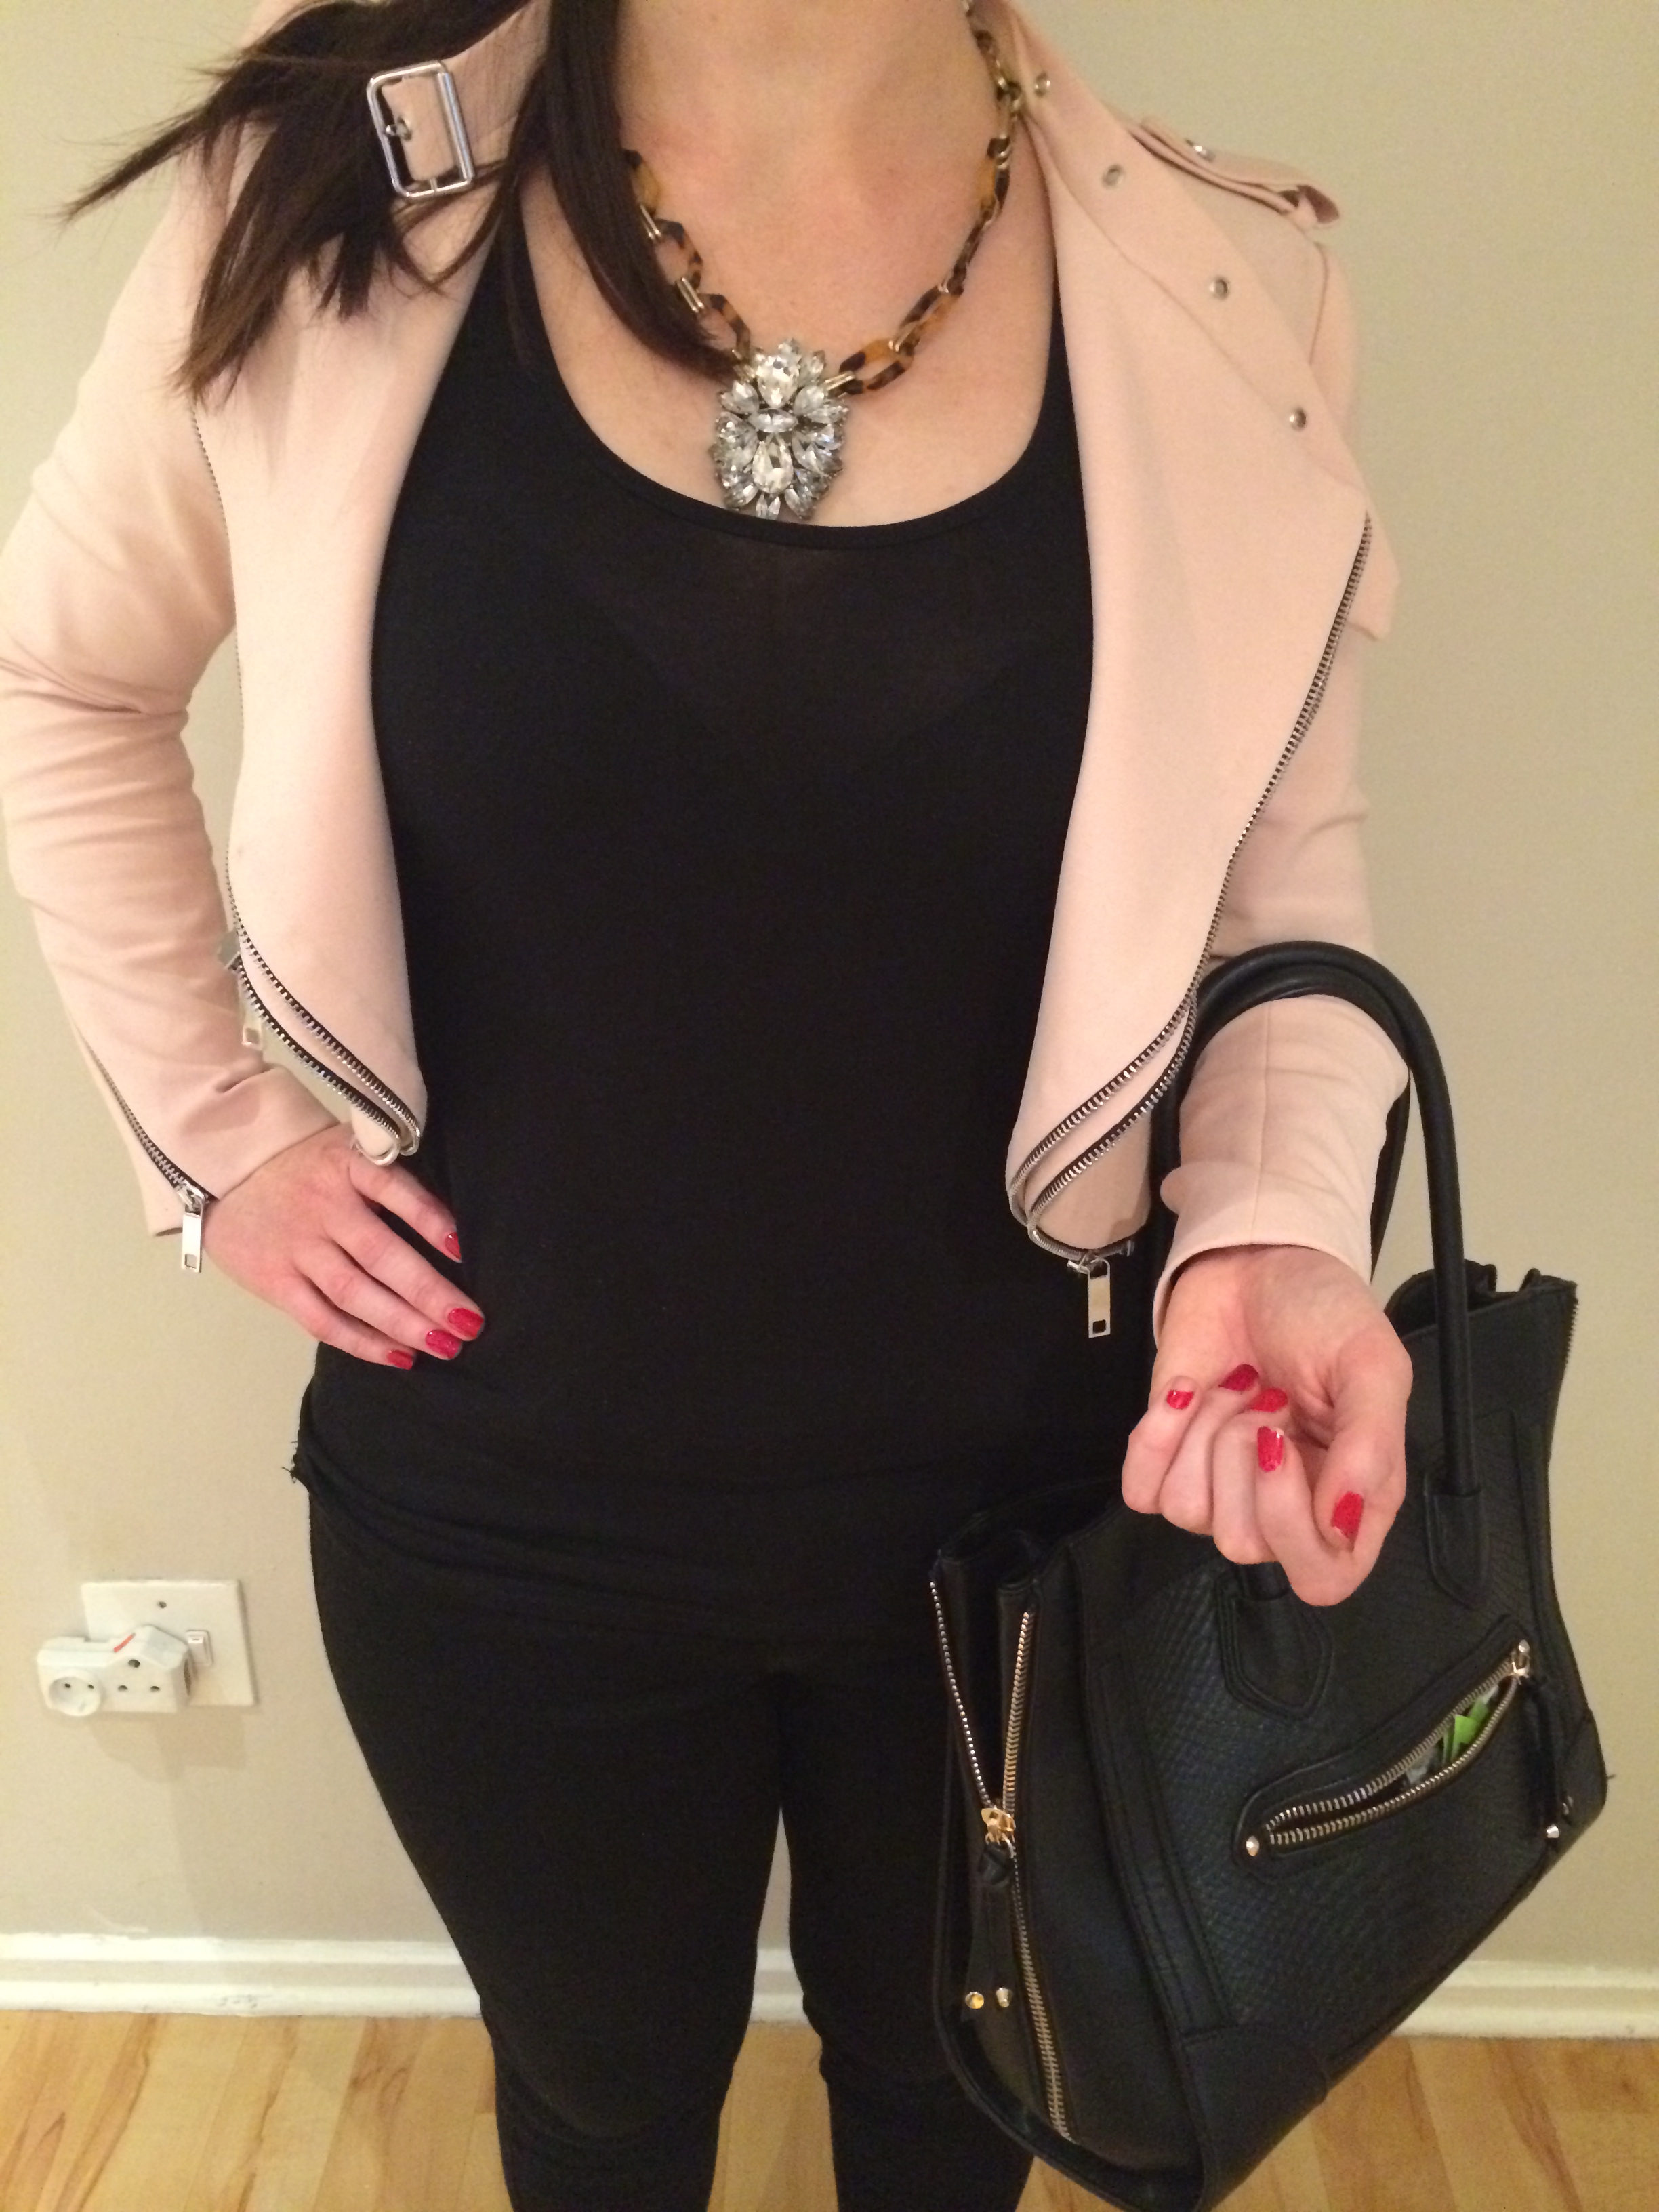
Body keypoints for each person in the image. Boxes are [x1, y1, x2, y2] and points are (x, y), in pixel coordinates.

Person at [0, 1, 1414, 2205]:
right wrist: (220, 1136)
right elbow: (65, 676)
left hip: (1045, 1502)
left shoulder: (1234, 293)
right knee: (598, 2105)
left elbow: (1278, 898)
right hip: (498, 1501)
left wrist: (1276, 1225)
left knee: (963, 2103)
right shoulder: (318, 187)